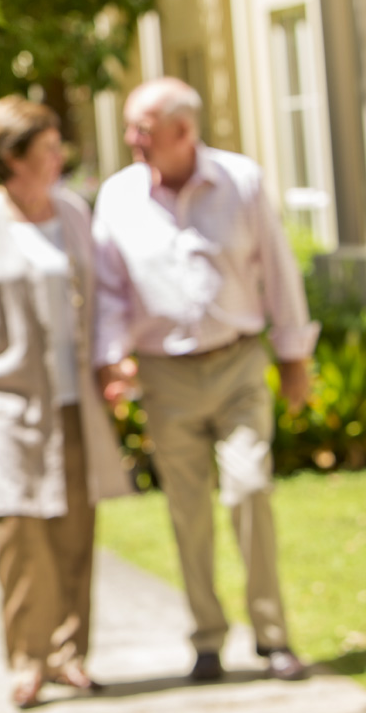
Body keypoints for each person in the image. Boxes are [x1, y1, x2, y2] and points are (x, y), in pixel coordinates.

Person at [92, 76, 316, 682]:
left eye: (142, 127)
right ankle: (208, 640)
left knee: (249, 489)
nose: (130, 138)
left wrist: (294, 355)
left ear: (182, 131)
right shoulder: (117, 197)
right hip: (165, 373)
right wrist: (114, 357)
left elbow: (279, 269)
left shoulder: (240, 180)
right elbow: (110, 291)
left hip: (238, 361)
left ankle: (273, 639)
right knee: (188, 510)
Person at [0, 96, 130, 709]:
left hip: (75, 404)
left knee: (75, 531)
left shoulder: (72, 212)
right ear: (11, 158)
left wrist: (114, 363)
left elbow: (102, 298)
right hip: (7, 406)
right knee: (20, 536)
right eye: (46, 148)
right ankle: (27, 660)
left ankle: (71, 654)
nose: (58, 157)